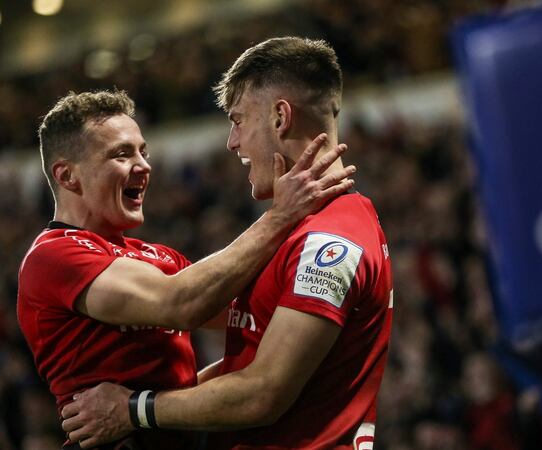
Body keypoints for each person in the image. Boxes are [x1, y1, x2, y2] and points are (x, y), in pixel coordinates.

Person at [61, 37, 394, 450]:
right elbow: (247, 364)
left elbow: (262, 394)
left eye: (238, 120)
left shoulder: (329, 242)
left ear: (280, 117)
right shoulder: (301, 227)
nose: (232, 142)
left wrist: (135, 409)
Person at [17, 89, 354, 449]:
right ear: (67, 176)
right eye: (121, 153)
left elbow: (253, 313)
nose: (144, 165)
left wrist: (330, 263)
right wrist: (280, 217)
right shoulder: (52, 257)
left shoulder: (159, 258)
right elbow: (180, 304)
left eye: (143, 151)